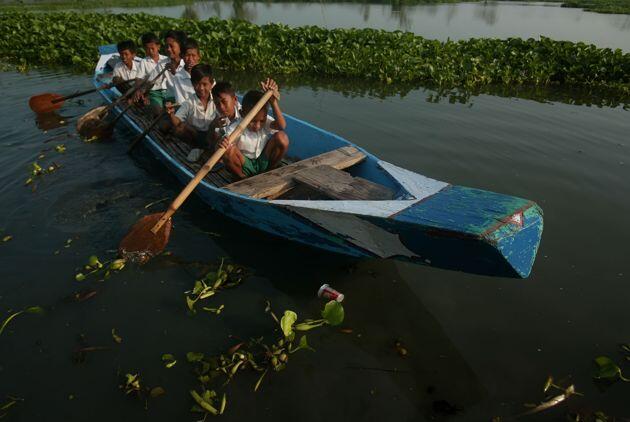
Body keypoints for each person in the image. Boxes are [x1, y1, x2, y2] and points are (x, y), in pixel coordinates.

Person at [218, 79, 289, 179]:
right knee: (228, 150)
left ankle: (270, 170)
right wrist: (223, 142)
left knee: (282, 137)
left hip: (262, 161)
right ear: (242, 114)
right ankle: (242, 178)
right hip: (244, 165)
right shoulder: (236, 126)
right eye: (252, 121)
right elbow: (226, 139)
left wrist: (273, 102)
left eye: (261, 121)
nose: (257, 126)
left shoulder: (265, 121)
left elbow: (282, 126)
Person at [165, 64, 216, 161]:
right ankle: (199, 148)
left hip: (212, 135)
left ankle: (204, 149)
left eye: (204, 84)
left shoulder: (217, 99)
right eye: (197, 84)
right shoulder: (189, 102)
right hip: (196, 135)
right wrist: (171, 114)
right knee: (180, 129)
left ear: (211, 83)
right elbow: (178, 121)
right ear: (192, 83)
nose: (201, 88)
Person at [135, 32, 169, 109]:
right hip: (153, 92)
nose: (150, 51)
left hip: (168, 91)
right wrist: (139, 90)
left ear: (158, 47)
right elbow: (138, 79)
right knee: (157, 109)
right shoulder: (144, 62)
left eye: (152, 48)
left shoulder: (166, 59)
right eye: (147, 49)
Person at [169, 38, 202, 104]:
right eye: (187, 55)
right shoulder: (178, 77)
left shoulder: (205, 73)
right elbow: (180, 102)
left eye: (193, 55)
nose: (190, 59)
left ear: (199, 56)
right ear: (182, 57)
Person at [208, 81, 240, 145]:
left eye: (224, 101)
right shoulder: (215, 118)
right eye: (217, 103)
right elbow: (209, 141)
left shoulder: (245, 113)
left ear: (235, 99)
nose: (221, 107)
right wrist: (213, 127)